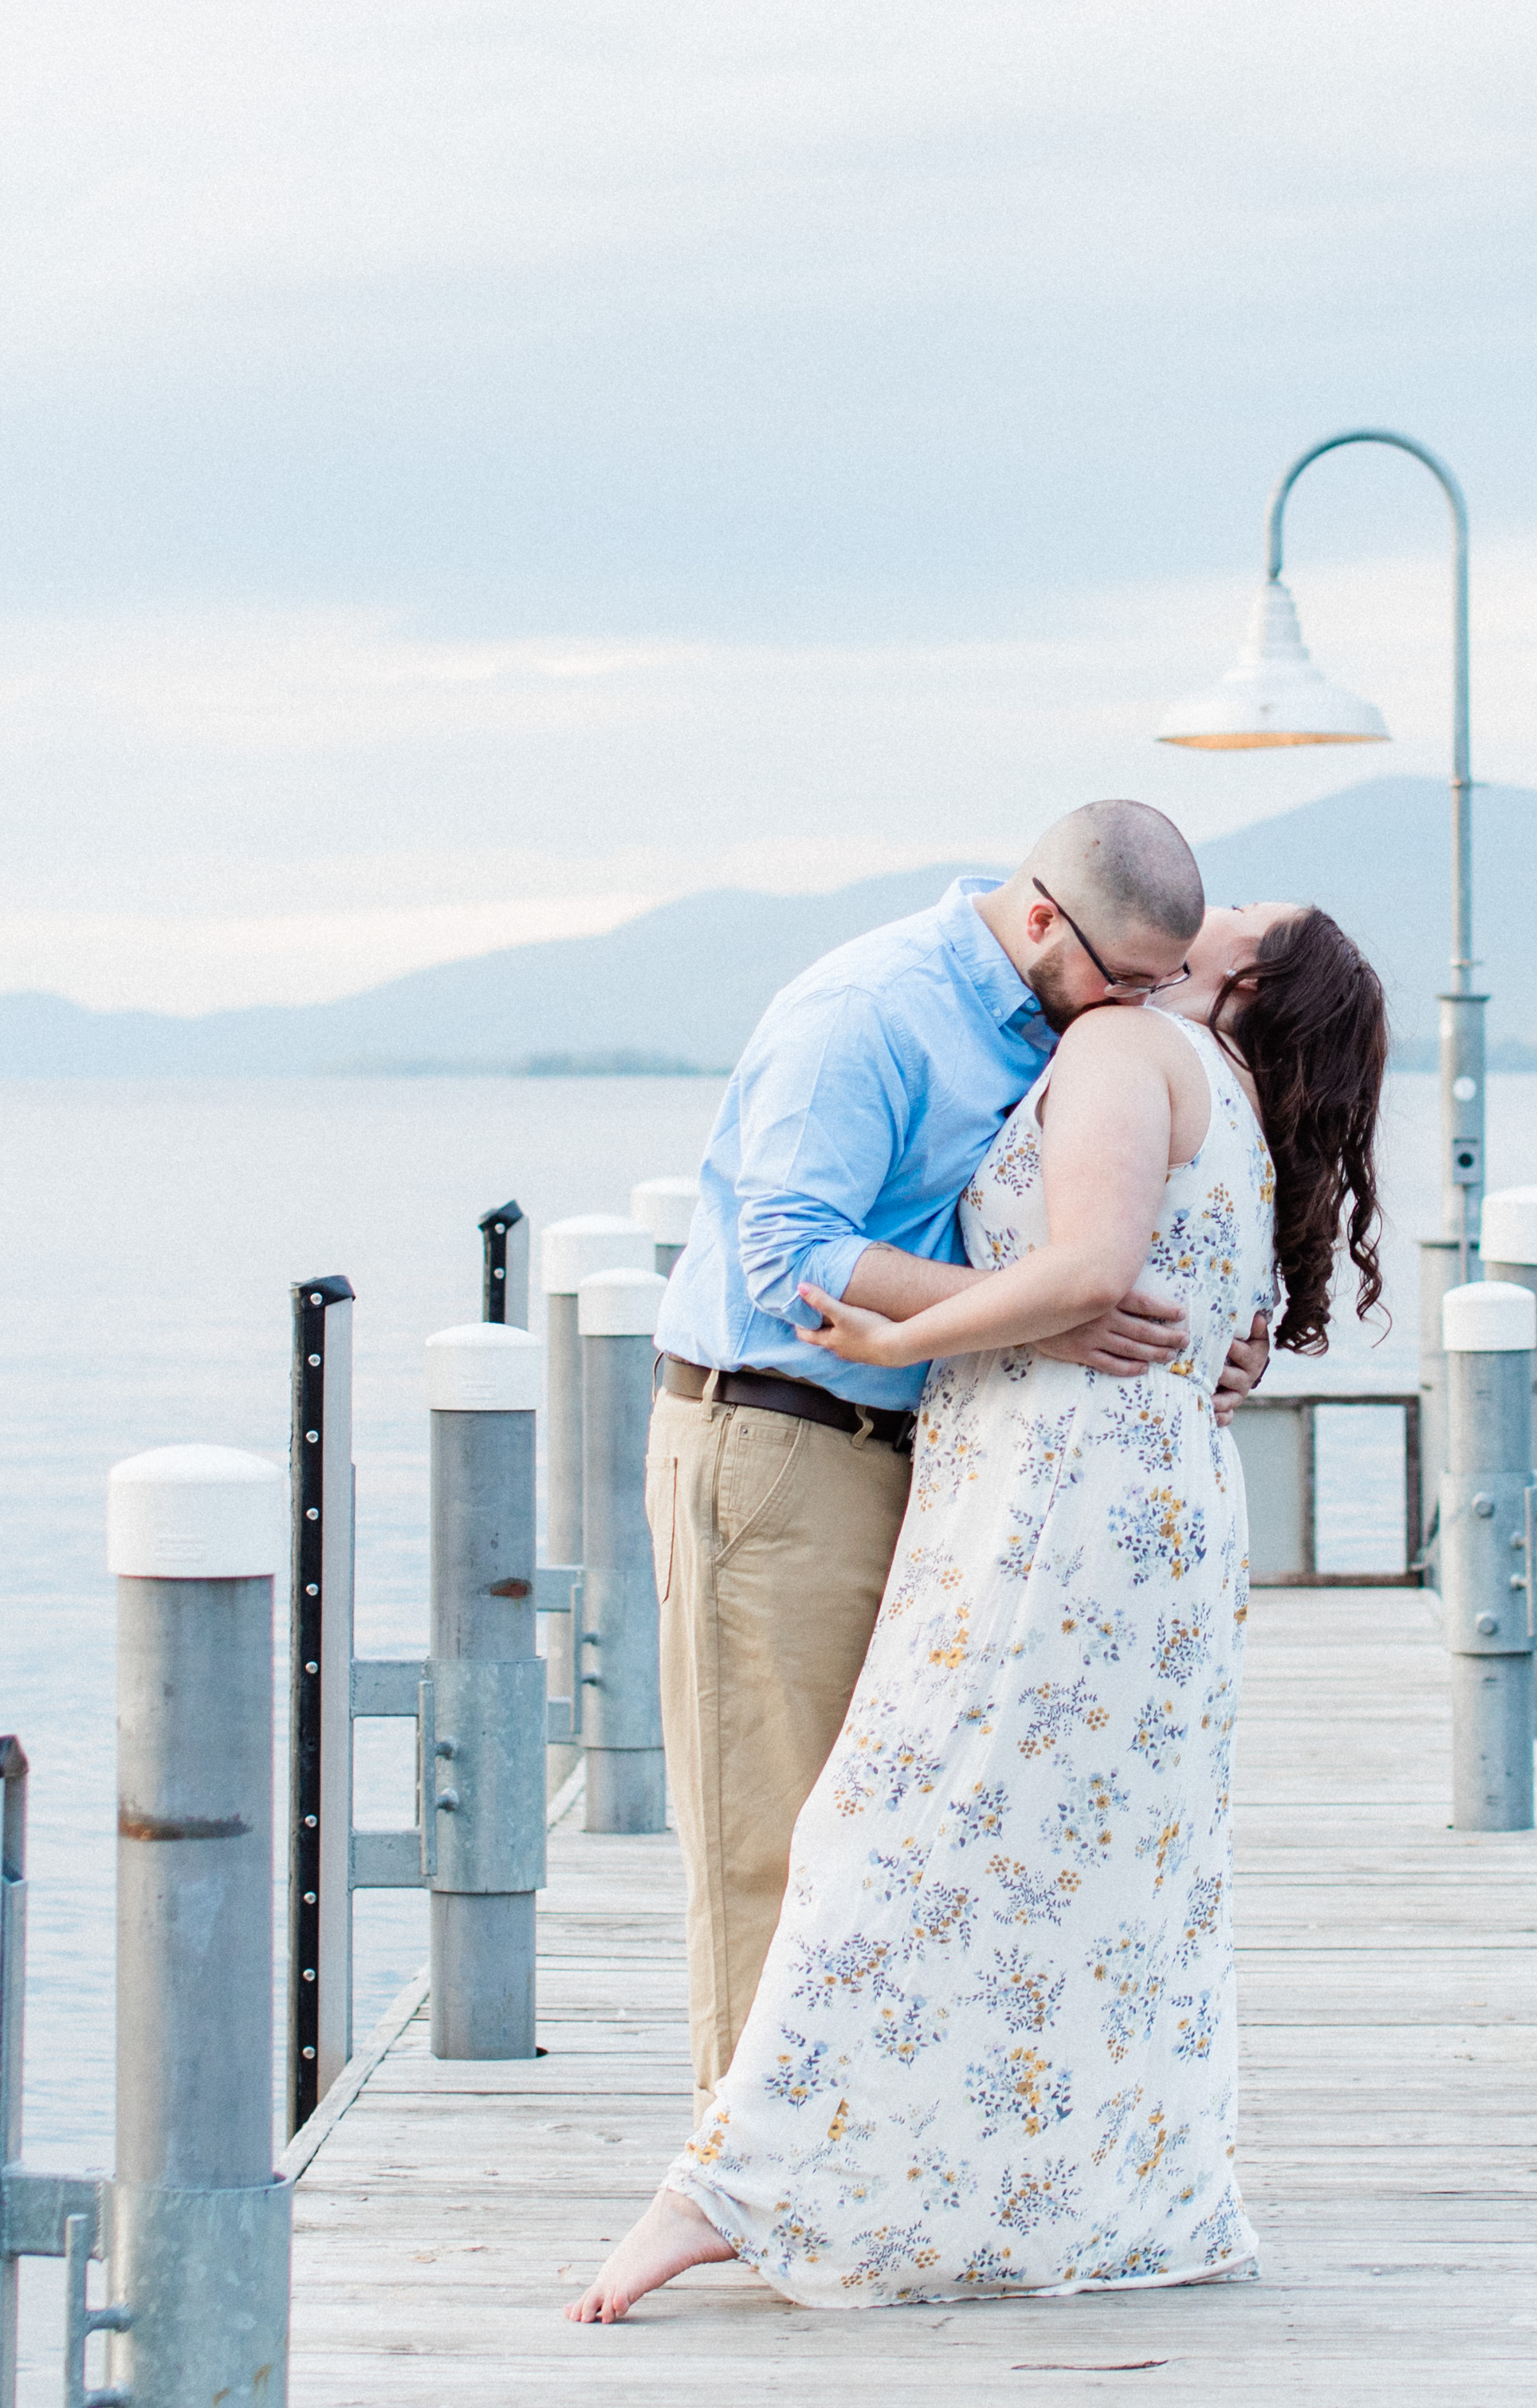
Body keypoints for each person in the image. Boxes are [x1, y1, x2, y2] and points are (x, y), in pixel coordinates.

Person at [568, 898, 1390, 2320]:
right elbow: (1163, 1293)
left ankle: (746, 2186)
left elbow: (1077, 1281)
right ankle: (997, 2173)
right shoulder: (1226, 1105)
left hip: (1049, 1503)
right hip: (1122, 1508)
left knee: (885, 1827)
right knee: (1084, 1876)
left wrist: (907, 1330)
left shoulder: (1130, 1042)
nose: (1211, 903)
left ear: (1242, 974)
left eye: (1240, 911)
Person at [647, 802, 1272, 2098]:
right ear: (1040, 913)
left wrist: (1224, 1329)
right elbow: (791, 1260)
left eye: (1165, 985)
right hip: (781, 1438)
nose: (1139, 1009)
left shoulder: (1066, 1022)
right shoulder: (867, 1010)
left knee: (898, 1830)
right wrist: (1052, 1309)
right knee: (777, 1837)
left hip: (934, 1458)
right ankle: (745, 2185)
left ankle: (863, 2153)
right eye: (1124, 979)